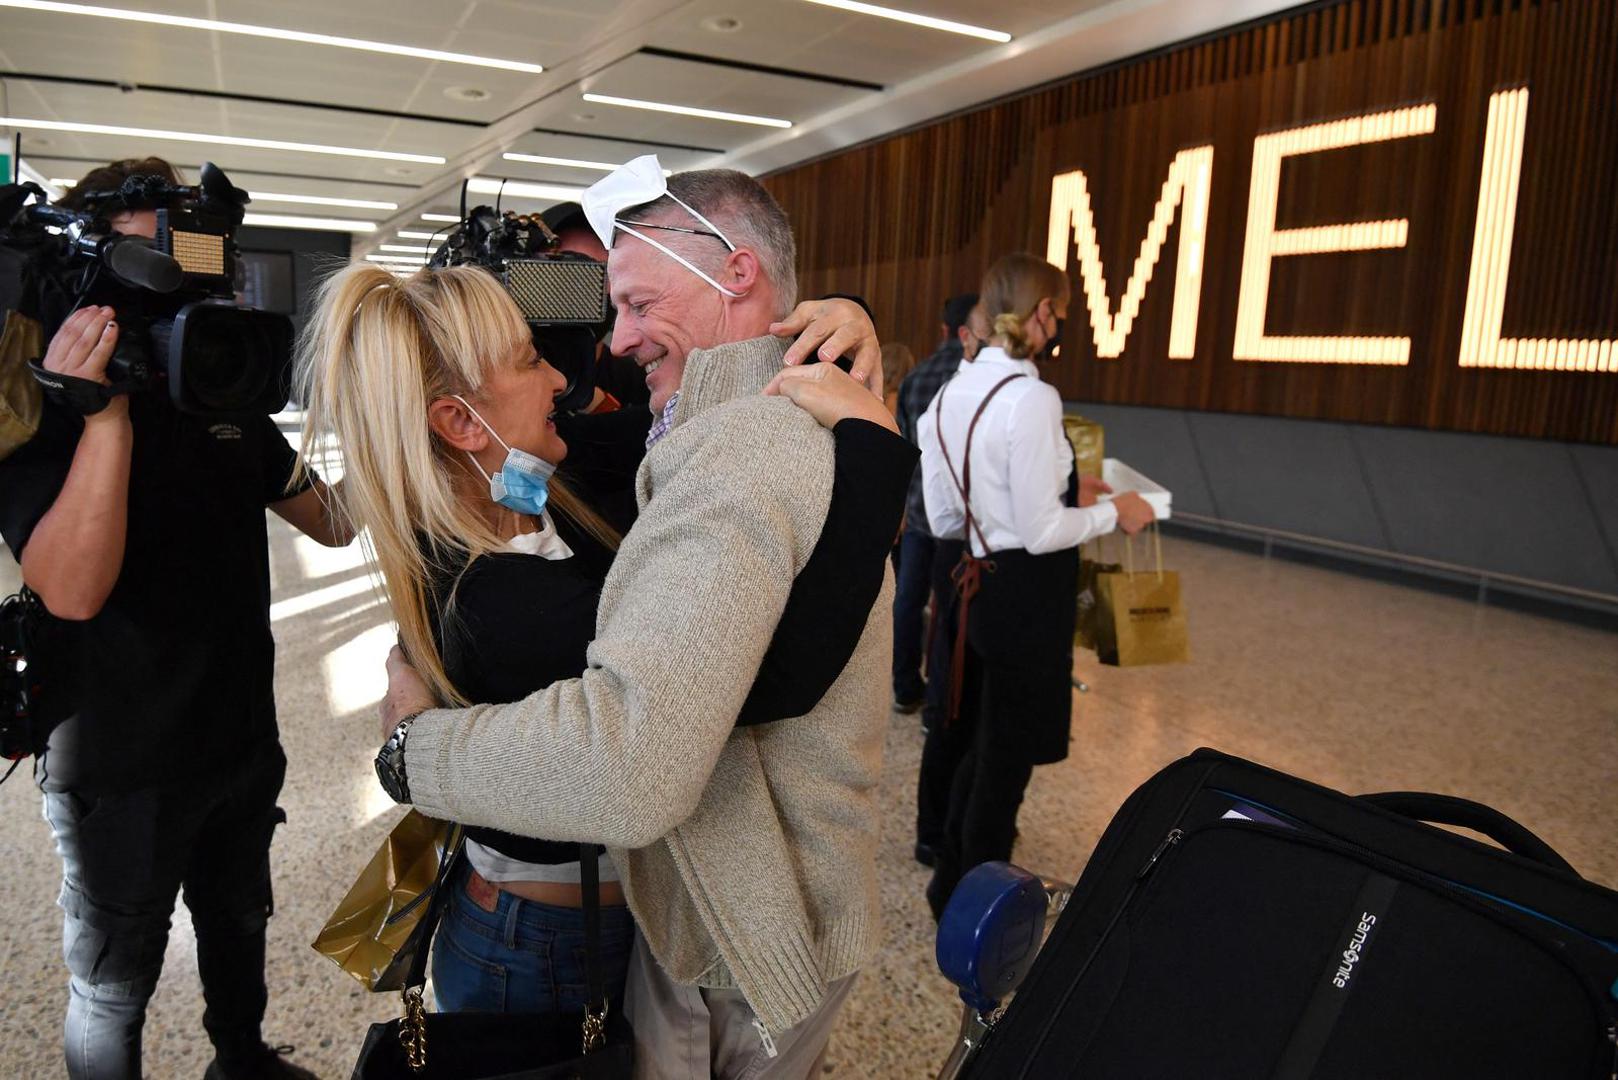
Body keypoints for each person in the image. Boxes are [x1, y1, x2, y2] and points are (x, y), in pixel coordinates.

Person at [372, 159, 914, 1079]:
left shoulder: (668, 449)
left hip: (710, 915)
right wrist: (875, 453)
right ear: (459, 421)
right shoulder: (501, 573)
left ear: (732, 273)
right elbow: (748, 685)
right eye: (535, 352)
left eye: (626, 302)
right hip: (564, 912)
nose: (591, 357)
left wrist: (840, 322)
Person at [0, 158, 353, 1080]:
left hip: (238, 737)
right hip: (118, 761)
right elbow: (71, 590)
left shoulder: (222, 391)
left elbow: (336, 517)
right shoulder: (37, 412)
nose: (167, 288)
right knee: (113, 985)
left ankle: (242, 1059)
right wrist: (104, 420)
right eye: (141, 267)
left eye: (184, 262)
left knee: (238, 928)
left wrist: (422, 429)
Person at [917, 253, 1155, 920]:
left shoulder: (949, 393)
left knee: (978, 740)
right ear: (1039, 312)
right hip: (1025, 594)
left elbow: (942, 516)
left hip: (971, 585)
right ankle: (978, 903)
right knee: (1006, 758)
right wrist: (1118, 511)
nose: (1061, 325)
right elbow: (1044, 529)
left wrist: (1040, 494)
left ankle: (951, 879)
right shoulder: (1033, 396)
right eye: (1059, 311)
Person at [891, 294, 978, 717]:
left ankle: (905, 686)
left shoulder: (916, 378)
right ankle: (940, 705)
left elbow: (904, 450)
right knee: (950, 608)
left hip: (918, 508)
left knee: (908, 598)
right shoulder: (979, 383)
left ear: (943, 329)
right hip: (962, 518)